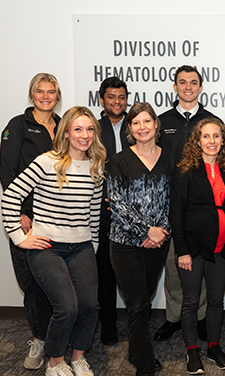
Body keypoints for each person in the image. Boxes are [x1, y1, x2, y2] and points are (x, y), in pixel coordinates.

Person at [1, 106, 106, 376]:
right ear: (67, 132)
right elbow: (11, 196)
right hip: (47, 247)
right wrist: (19, 238)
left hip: (81, 246)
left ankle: (78, 358)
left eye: (89, 129)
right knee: (67, 307)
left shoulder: (95, 166)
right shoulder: (47, 161)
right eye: (78, 129)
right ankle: (55, 363)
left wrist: (92, 244)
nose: (84, 135)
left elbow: (93, 212)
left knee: (89, 305)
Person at [108, 102, 174, 376]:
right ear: (129, 128)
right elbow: (117, 205)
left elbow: (173, 201)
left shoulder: (169, 158)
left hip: (157, 244)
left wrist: (160, 231)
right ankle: (145, 372)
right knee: (136, 305)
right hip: (125, 244)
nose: (142, 127)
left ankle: (138, 350)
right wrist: (145, 231)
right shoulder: (118, 161)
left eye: (147, 121)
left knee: (143, 301)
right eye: (136, 123)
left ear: (156, 124)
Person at [0, 73, 60, 370]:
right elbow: (7, 173)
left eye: (51, 91)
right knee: (32, 284)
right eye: (40, 91)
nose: (46, 96)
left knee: (59, 281)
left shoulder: (63, 126)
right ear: (32, 94)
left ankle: (58, 339)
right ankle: (39, 339)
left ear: (57, 96)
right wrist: (20, 212)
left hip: (59, 217)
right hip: (28, 218)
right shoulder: (17, 126)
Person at [155, 65, 219, 342]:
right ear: (175, 87)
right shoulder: (161, 121)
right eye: (182, 82)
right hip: (170, 206)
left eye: (193, 82)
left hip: (202, 208)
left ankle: (200, 317)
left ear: (201, 87)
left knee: (201, 267)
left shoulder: (212, 121)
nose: (188, 87)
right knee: (174, 266)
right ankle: (174, 318)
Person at [170, 118, 225, 375]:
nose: (212, 141)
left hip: (221, 246)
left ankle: (213, 346)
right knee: (190, 300)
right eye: (206, 136)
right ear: (196, 141)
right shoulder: (185, 169)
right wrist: (182, 250)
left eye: (216, 136)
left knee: (216, 300)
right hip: (193, 247)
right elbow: (176, 213)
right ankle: (191, 350)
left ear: (223, 140)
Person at [96, 76, 130, 345]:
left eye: (121, 97)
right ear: (102, 100)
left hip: (133, 212)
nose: (116, 102)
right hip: (103, 212)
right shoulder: (92, 129)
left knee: (132, 272)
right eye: (111, 97)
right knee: (105, 270)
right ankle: (108, 324)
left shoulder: (138, 125)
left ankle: (136, 325)